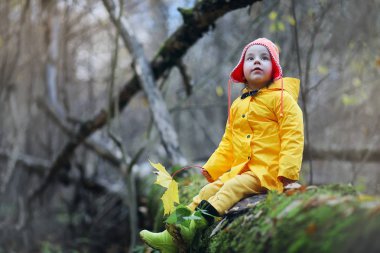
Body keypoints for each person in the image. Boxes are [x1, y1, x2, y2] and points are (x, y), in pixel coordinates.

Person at [140, 37, 304, 252]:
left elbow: (293, 135)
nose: (257, 61)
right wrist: (212, 169)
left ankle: (194, 226)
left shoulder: (282, 100)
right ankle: (172, 234)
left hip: (268, 172)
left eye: (264, 58)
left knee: (232, 187)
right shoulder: (238, 105)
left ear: (274, 68)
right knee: (209, 189)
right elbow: (228, 141)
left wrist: (288, 175)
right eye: (251, 58)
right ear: (242, 69)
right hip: (242, 170)